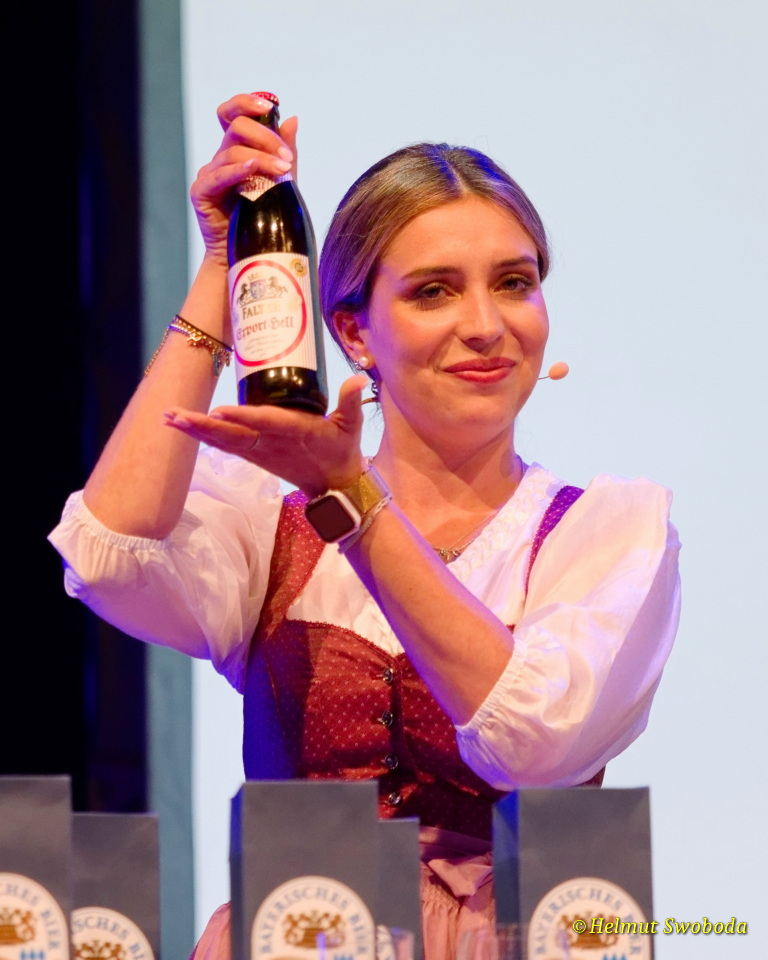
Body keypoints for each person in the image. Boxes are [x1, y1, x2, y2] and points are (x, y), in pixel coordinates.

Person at [50, 93, 681, 958]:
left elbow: (533, 745)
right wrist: (226, 266)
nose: (486, 325)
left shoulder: (603, 533)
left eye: (514, 282)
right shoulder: (271, 528)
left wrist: (352, 500)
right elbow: (107, 557)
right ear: (353, 331)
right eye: (434, 291)